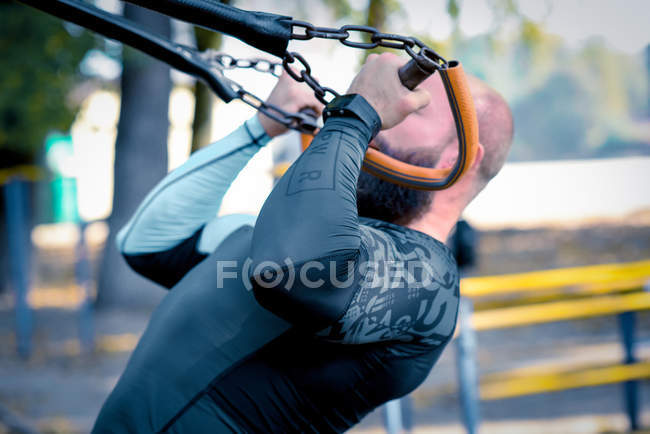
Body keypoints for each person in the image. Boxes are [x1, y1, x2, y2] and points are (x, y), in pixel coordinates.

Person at [93, 53, 513, 433]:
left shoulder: (428, 282)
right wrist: (260, 129)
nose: (386, 118)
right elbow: (149, 246)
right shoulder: (278, 233)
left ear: (456, 157)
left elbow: (295, 272)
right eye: (392, 104)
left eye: (413, 111)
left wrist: (356, 115)